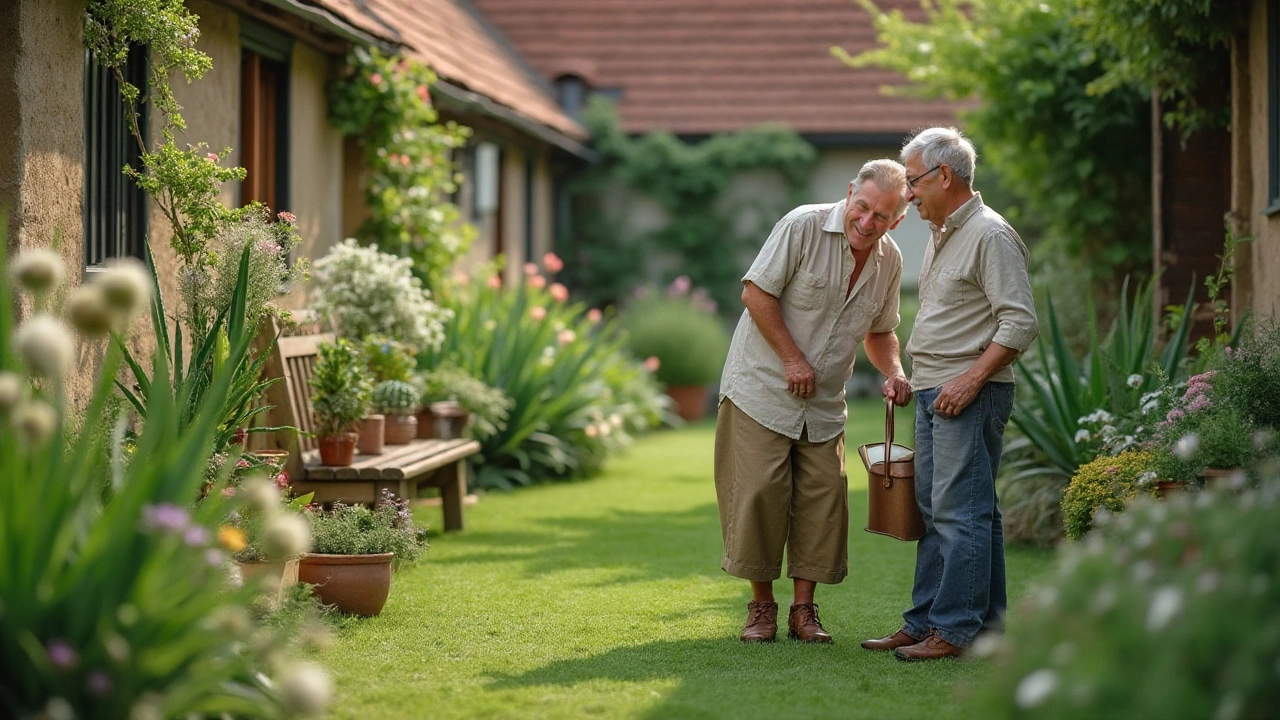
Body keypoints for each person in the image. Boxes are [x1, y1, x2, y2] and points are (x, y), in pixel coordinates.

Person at [715, 159, 914, 644]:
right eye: (862, 208)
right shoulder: (801, 225)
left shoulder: (890, 261)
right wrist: (792, 359)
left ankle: (804, 612)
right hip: (762, 388)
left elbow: (881, 330)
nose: (867, 223)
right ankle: (761, 608)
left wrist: (895, 371)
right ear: (850, 193)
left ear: (899, 219)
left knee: (824, 500)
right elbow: (756, 293)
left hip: (824, 403)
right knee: (760, 492)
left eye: (882, 217)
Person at [861, 127, 1038, 661]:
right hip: (936, 390)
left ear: (944, 175)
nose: (908, 194)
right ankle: (945, 624)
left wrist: (969, 380)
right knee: (944, 509)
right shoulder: (943, 233)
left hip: (968, 393)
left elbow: (1019, 322)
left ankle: (955, 630)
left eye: (913, 181)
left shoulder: (989, 235)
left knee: (960, 512)